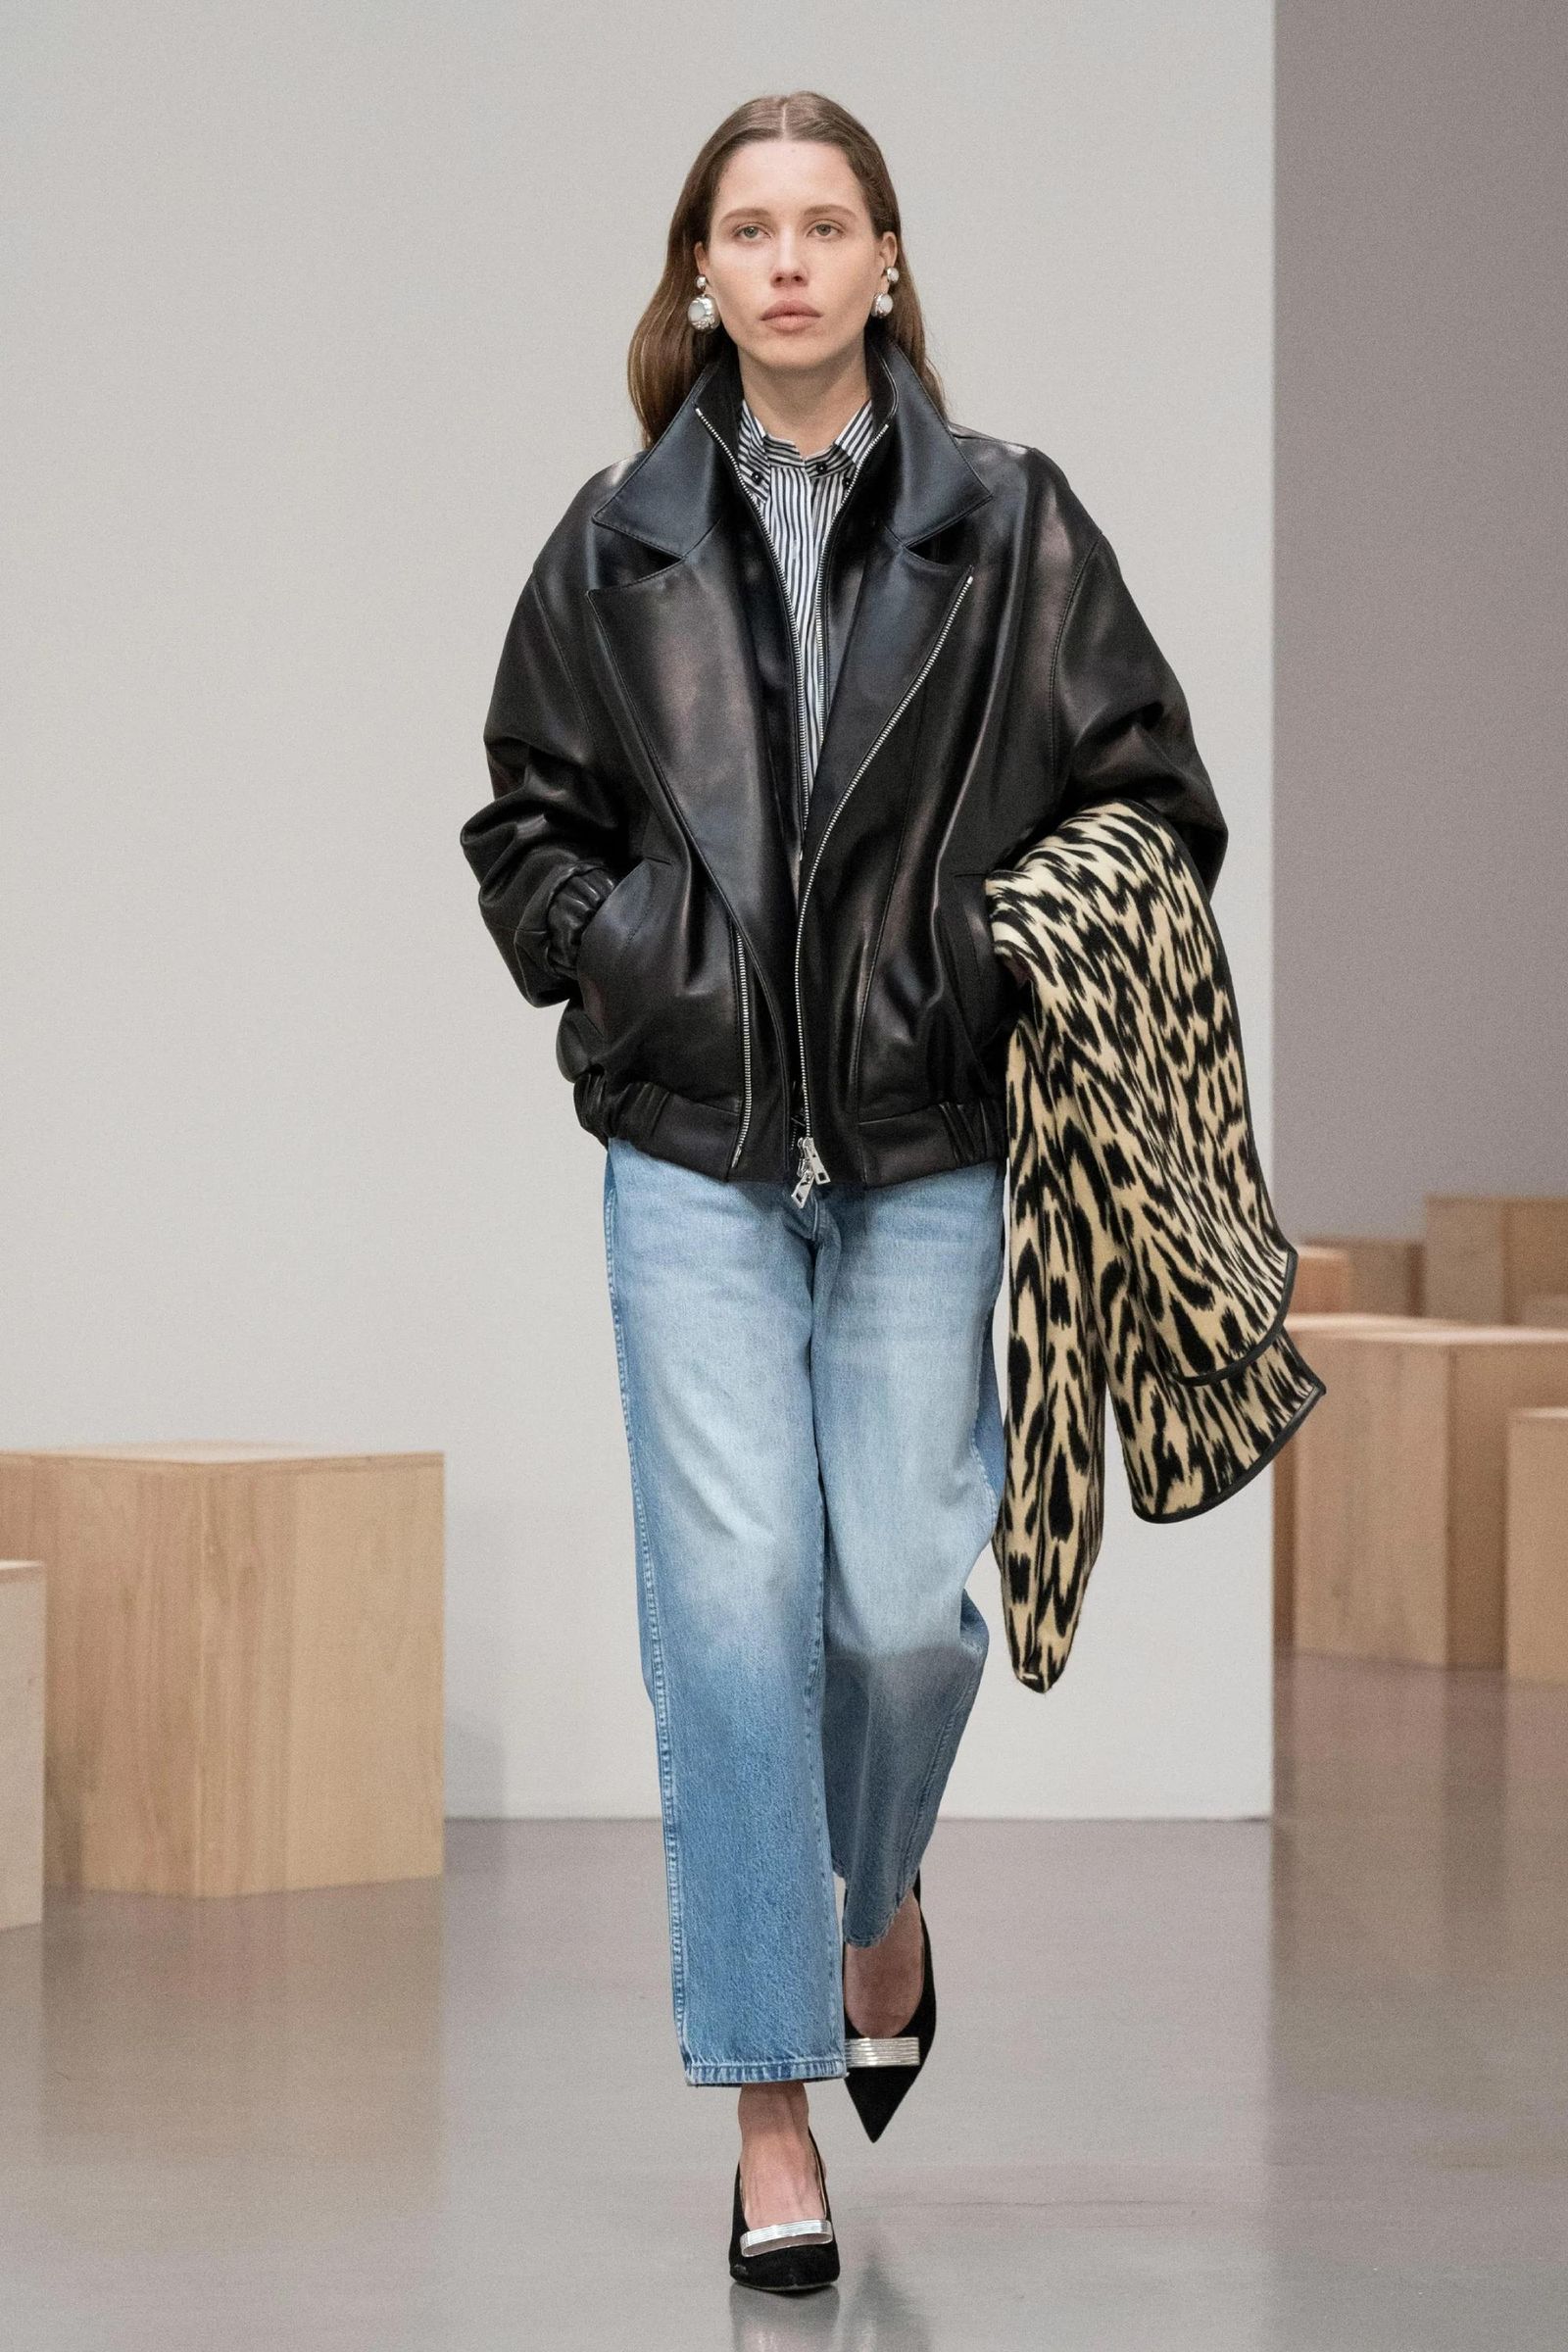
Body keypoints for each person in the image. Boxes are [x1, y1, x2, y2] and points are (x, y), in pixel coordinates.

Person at [460, 91, 1228, 2294]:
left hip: (927, 1145)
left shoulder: (1014, 525)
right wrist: (644, 961)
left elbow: (1154, 801)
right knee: (728, 1617)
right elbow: (524, 831)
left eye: (824, 224)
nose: (786, 261)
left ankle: (876, 1905)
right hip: (689, 1154)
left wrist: (976, 963)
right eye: (747, 230)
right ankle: (771, 2105)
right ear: (698, 280)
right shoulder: (613, 543)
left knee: (895, 1605)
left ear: (887, 263)